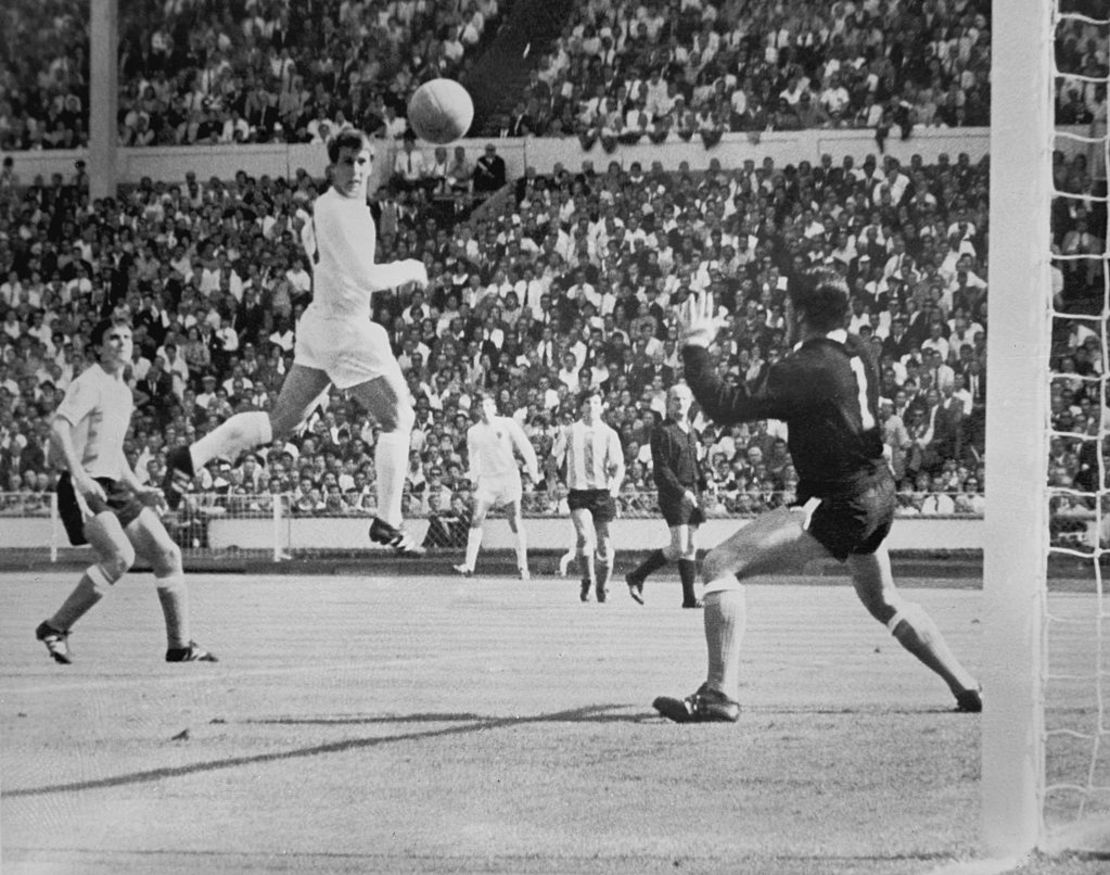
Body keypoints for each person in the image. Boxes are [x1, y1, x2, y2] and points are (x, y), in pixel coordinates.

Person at [653, 277, 982, 723]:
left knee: (719, 564)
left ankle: (719, 694)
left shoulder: (808, 366)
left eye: (790, 311)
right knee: (885, 600)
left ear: (801, 315)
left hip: (840, 502)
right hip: (879, 495)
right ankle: (965, 683)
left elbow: (725, 405)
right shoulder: (859, 348)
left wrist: (695, 347)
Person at [163, 128, 428, 554]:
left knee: (279, 423)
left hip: (319, 323)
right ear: (331, 166)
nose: (357, 170)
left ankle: (189, 457)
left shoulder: (323, 210)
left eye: (364, 162)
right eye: (348, 161)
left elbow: (332, 263)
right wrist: (410, 266)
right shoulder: (346, 213)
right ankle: (388, 519)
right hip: (347, 328)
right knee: (398, 418)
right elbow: (365, 278)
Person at [36, 319, 217, 665]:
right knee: (120, 558)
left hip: (112, 483)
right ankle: (55, 627)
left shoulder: (122, 391)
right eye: (112, 338)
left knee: (167, 553)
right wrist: (79, 475)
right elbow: (59, 428)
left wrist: (139, 488)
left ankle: (180, 646)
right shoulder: (89, 383)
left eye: (125, 337)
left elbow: (113, 448)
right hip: (82, 483)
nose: (120, 343)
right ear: (99, 348)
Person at [625, 383, 705, 608]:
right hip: (674, 494)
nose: (680, 403)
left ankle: (689, 598)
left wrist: (703, 486)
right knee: (679, 546)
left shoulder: (691, 430)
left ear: (690, 403)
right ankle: (636, 576)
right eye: (675, 399)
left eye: (684, 399)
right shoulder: (662, 431)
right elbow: (662, 470)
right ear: (668, 403)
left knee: (690, 546)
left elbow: (694, 464)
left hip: (692, 492)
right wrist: (683, 492)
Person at [453, 391, 540, 579]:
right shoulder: (473, 432)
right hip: (487, 480)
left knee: (515, 521)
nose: (484, 410)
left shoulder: (507, 423)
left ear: (494, 407)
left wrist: (533, 471)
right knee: (476, 519)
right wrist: (475, 478)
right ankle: (469, 566)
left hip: (509, 478)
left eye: (487, 405)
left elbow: (525, 446)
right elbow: (473, 457)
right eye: (480, 406)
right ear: (476, 410)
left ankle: (523, 567)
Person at [552, 389, 626, 602]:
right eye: (587, 402)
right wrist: (552, 481)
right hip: (579, 492)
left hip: (602, 492)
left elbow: (618, 465)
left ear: (601, 406)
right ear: (581, 406)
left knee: (603, 541)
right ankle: (587, 580)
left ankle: (603, 586)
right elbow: (552, 458)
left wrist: (616, 486)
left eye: (595, 402)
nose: (591, 406)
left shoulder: (609, 433)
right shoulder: (569, 431)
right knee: (584, 535)